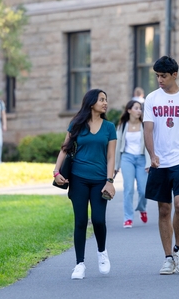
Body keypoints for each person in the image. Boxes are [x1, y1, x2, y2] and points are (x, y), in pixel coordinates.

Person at [143, 56, 179, 275]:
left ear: (174, 75)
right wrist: (152, 155)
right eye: (157, 75)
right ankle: (168, 257)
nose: (159, 79)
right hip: (160, 162)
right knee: (163, 209)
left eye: (163, 76)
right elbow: (147, 129)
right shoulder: (151, 98)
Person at [53, 89, 117, 280]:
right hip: (78, 178)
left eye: (106, 99)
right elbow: (65, 149)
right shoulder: (76, 124)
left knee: (98, 220)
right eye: (101, 99)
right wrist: (56, 172)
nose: (105, 103)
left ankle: (102, 252)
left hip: (99, 180)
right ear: (91, 103)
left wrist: (110, 181)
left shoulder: (109, 127)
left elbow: (111, 156)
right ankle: (79, 263)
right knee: (80, 221)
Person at [115, 100, 151, 228]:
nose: (139, 111)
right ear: (129, 110)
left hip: (142, 160)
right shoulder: (122, 126)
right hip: (127, 159)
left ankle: (142, 208)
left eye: (140, 108)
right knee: (128, 189)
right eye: (136, 108)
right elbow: (117, 146)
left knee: (143, 190)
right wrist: (115, 166)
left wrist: (149, 163)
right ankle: (128, 218)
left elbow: (149, 145)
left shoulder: (144, 125)